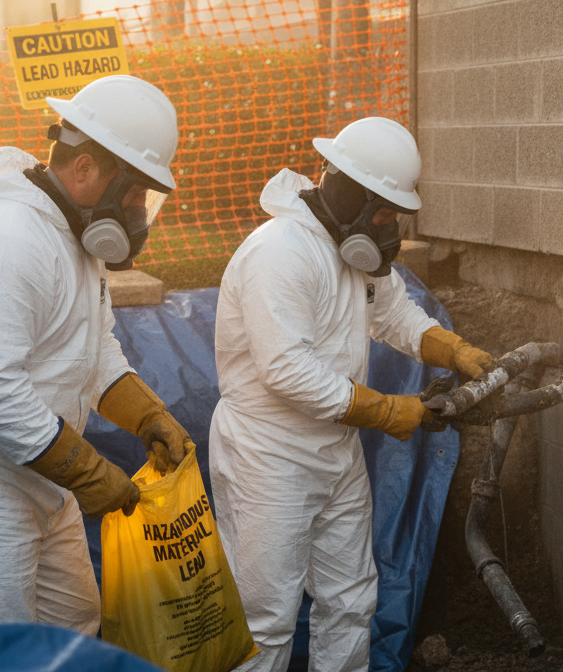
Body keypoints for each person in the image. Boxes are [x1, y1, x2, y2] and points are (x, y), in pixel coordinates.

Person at [0, 74, 193, 633]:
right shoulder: (7, 241)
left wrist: (148, 414)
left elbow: (93, 350)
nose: (138, 212)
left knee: (74, 628)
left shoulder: (74, 239)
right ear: (84, 169)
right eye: (134, 194)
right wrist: (89, 472)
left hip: (42, 475)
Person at [209, 116, 494, 672]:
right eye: (384, 214)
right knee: (265, 618)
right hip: (268, 456)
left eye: (395, 216)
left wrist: (454, 349)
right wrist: (386, 410)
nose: (389, 229)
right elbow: (285, 370)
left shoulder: (352, 248)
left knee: (351, 600)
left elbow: (397, 316)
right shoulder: (281, 251)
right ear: (350, 196)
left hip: (335, 450)